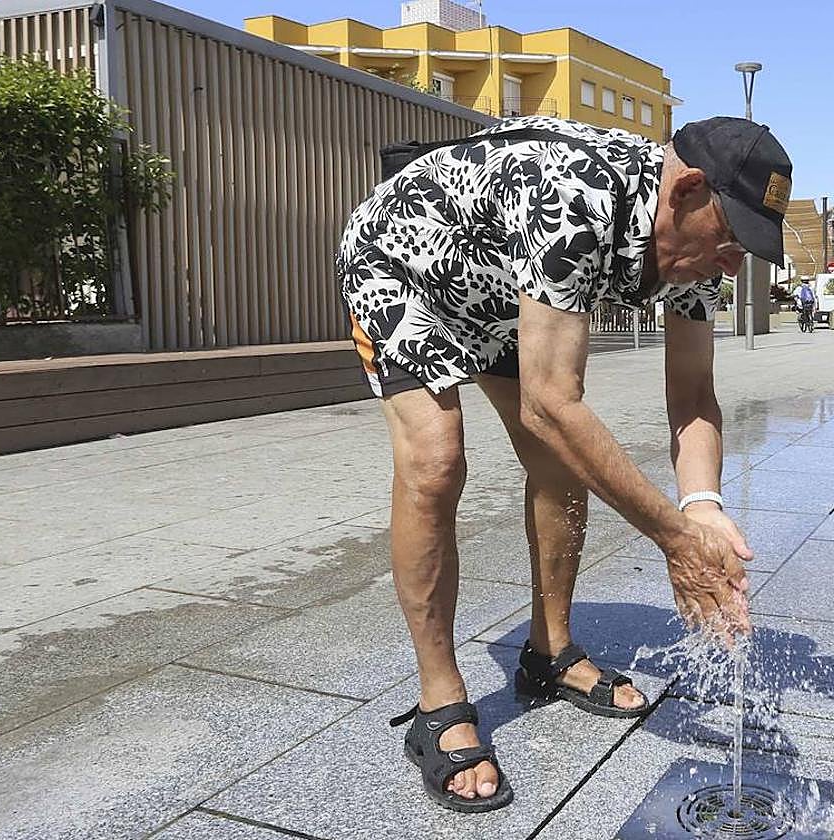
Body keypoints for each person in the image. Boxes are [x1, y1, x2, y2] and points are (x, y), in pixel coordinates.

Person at [337, 115, 791, 812]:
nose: (733, 263)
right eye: (730, 237)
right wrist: (673, 540)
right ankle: (439, 700)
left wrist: (702, 506)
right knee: (436, 459)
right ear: (688, 189)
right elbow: (552, 402)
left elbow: (694, 395)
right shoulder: (575, 194)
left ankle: (549, 654)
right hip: (404, 263)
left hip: (498, 290)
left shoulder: (696, 262)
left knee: (560, 465)